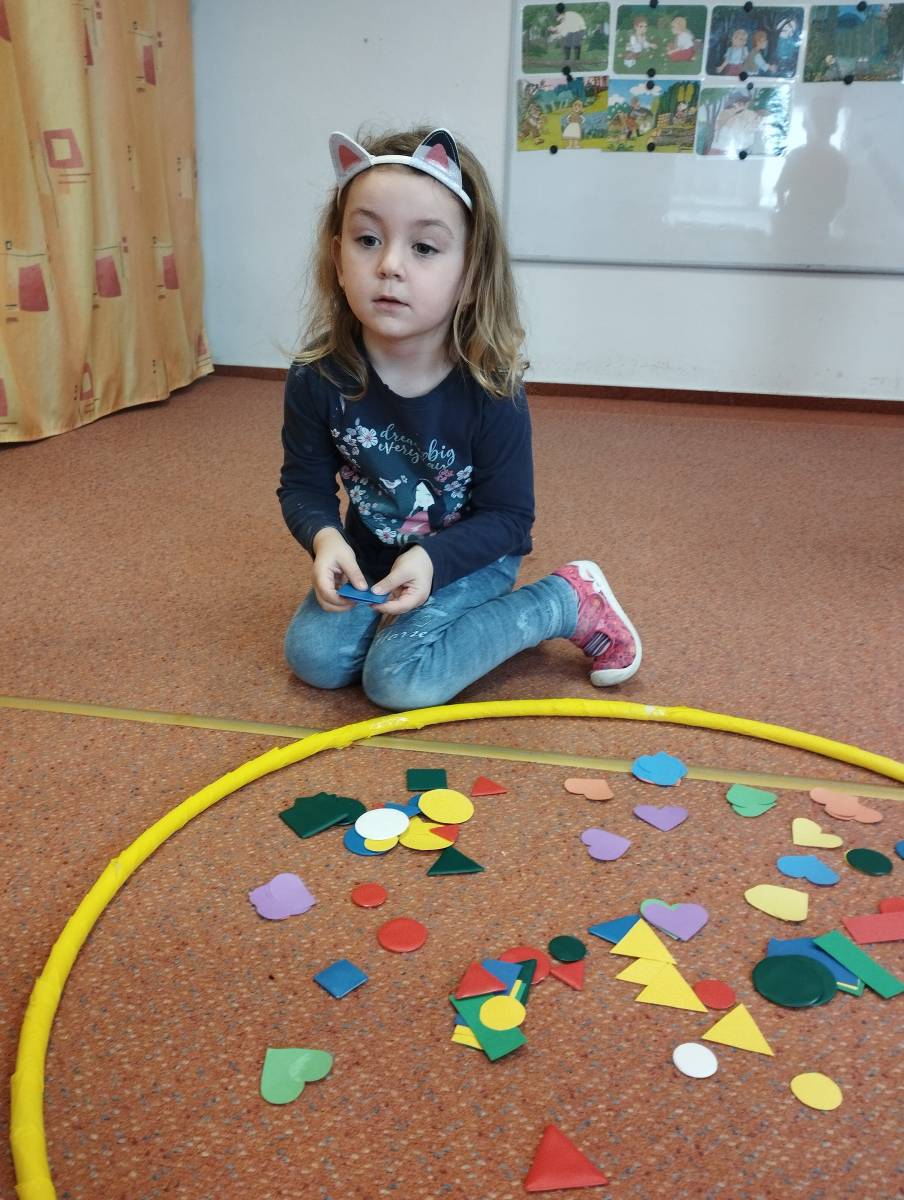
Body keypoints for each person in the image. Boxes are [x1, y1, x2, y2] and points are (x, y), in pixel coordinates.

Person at [277, 126, 642, 711]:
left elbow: (509, 518)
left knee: (400, 682)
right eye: (367, 239)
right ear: (337, 258)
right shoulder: (317, 376)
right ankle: (404, 619)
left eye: (424, 247)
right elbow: (303, 486)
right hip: (375, 550)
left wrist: (432, 559)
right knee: (314, 660)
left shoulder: (490, 389)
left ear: (470, 276)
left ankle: (562, 601)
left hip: (473, 557)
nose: (389, 265)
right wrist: (325, 539)